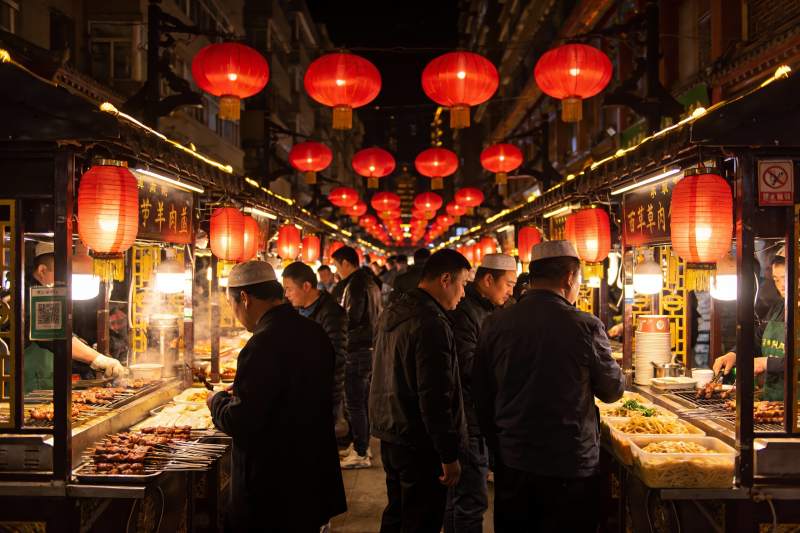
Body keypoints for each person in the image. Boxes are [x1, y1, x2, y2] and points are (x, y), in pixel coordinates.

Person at [473, 241, 625, 533]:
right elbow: (612, 390)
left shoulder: (494, 323)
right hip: (569, 464)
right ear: (569, 278)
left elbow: (481, 393)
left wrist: (499, 446)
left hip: (514, 460)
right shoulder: (585, 325)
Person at [207, 260, 346, 532]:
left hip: (272, 489)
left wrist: (217, 402)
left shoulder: (260, 344)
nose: (234, 312)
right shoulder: (314, 332)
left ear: (244, 298)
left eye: (231, 304)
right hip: (311, 477)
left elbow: (241, 421)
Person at [370, 249, 470, 533]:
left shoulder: (393, 311)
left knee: (397, 514)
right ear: (446, 280)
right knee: (421, 521)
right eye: (463, 284)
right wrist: (448, 454)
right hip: (419, 441)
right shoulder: (431, 323)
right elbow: (434, 396)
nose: (463, 294)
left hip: (391, 433)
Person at [445, 253, 517, 533]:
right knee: (470, 502)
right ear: (488, 280)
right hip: (468, 419)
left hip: (480, 416)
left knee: (460, 500)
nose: (511, 292)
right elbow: (468, 366)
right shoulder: (466, 312)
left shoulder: (492, 308)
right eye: (508, 284)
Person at [24, 243, 125, 393]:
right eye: (63, 274)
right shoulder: (27, 295)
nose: (67, 281)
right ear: (42, 270)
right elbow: (54, 333)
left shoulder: (50, 293)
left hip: (43, 381)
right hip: (24, 386)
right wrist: (97, 358)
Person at [332, 245, 382, 468]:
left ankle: (361, 453)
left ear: (345, 263)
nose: (336, 270)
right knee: (360, 402)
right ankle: (361, 445)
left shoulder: (355, 284)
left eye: (336, 265)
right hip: (368, 348)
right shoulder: (369, 281)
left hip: (357, 350)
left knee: (355, 404)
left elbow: (351, 318)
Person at [282, 261, 347, 431]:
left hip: (322, 392)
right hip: (301, 390)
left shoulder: (332, 314)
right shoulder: (295, 310)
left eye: (289, 289)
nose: (286, 294)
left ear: (306, 286)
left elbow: (337, 357)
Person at [713, 252, 787, 400]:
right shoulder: (778, 308)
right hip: (773, 402)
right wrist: (734, 354)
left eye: (785, 278)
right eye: (776, 279)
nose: (782, 285)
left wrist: (766, 363)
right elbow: (756, 340)